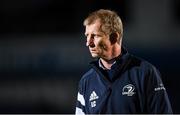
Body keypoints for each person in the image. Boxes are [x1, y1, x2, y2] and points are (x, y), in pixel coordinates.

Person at [75, 9, 172, 114]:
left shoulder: (146, 73)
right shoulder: (86, 81)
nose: (88, 43)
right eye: (87, 36)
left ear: (114, 37)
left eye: (95, 36)